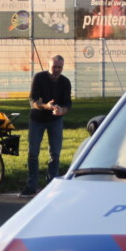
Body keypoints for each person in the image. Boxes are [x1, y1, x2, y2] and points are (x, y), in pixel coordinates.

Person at [21, 55, 72, 197]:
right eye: (54, 67)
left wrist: (62, 110)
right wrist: (46, 106)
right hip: (37, 119)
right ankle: (31, 185)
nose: (56, 70)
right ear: (48, 65)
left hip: (55, 120)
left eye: (59, 67)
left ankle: (51, 185)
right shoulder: (39, 78)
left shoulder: (65, 82)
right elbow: (33, 100)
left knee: (54, 153)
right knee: (33, 153)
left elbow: (68, 103)